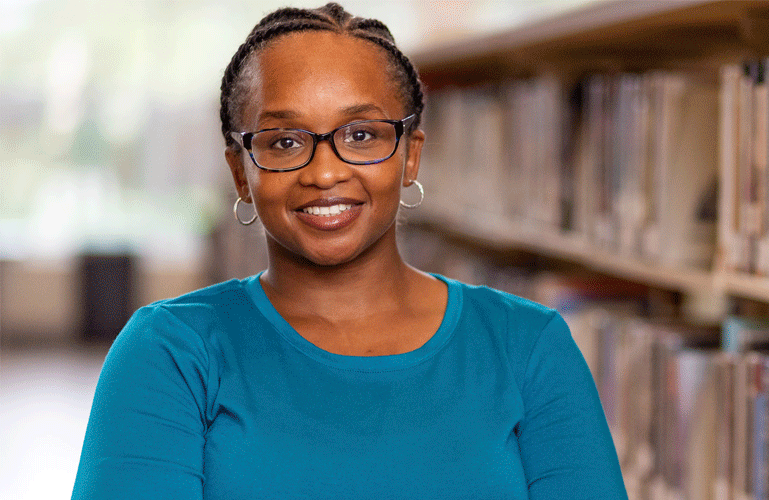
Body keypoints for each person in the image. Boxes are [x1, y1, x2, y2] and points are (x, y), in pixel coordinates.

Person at [70, 4, 626, 499]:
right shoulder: (170, 352)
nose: (325, 172)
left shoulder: (529, 347)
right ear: (241, 172)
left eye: (361, 135)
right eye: (285, 141)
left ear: (410, 156)